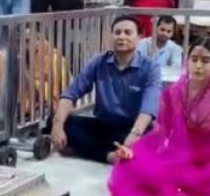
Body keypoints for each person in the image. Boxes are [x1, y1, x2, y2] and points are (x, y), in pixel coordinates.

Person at [108, 38, 210, 196]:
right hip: (179, 156)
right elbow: (160, 133)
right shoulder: (172, 93)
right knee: (134, 166)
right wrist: (134, 151)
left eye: (206, 60)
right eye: (194, 59)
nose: (198, 66)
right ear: (187, 61)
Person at [51, 16, 161, 164]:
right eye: (117, 32)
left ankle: (93, 150)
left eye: (128, 33)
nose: (122, 37)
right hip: (103, 125)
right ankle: (110, 156)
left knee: (151, 138)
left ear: (140, 37)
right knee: (60, 122)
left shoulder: (150, 67)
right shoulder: (99, 61)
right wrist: (57, 125)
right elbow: (71, 93)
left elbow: (149, 107)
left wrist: (135, 134)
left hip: (132, 127)